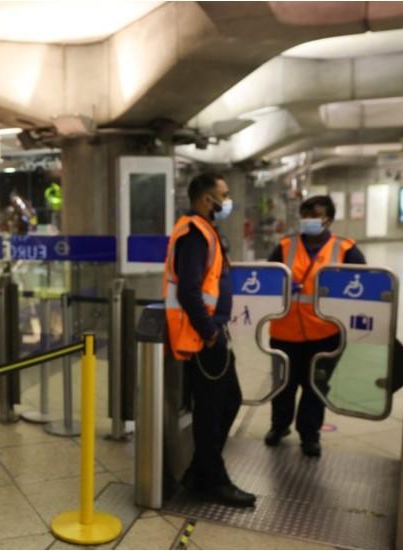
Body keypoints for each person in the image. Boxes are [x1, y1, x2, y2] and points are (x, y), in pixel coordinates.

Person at [164, 172, 255, 508]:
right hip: (201, 336)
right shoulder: (195, 233)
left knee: (223, 402)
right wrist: (210, 332)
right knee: (214, 407)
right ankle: (213, 479)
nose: (228, 201)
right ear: (207, 200)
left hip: (207, 332)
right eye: (225, 195)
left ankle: (199, 471)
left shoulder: (203, 230)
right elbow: (189, 291)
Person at [265, 195, 366, 457]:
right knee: (283, 384)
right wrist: (283, 285)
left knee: (315, 386)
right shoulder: (285, 246)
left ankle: (310, 435)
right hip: (285, 332)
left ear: (328, 219)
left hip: (325, 334)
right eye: (305, 216)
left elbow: (364, 284)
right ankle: (279, 426)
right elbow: (266, 280)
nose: (309, 221)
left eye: (315, 216)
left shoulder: (345, 249)